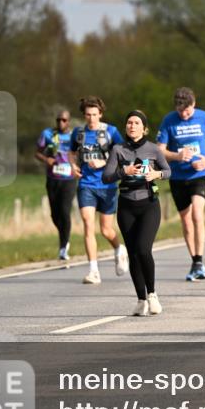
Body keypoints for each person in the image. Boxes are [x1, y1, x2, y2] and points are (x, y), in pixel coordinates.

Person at [102, 111, 172, 316]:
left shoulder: (153, 149)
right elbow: (106, 177)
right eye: (129, 123)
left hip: (149, 204)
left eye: (137, 123)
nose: (132, 126)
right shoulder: (118, 149)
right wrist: (125, 172)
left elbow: (168, 171)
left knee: (143, 249)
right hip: (126, 205)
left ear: (145, 128)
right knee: (133, 253)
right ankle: (141, 300)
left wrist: (156, 174)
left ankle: (152, 295)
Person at [157, 87, 205, 282]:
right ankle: (194, 261)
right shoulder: (169, 120)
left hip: (200, 173)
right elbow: (160, 150)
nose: (183, 114)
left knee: (196, 213)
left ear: (194, 104)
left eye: (186, 111)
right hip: (178, 176)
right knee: (185, 220)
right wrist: (177, 155)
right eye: (180, 111)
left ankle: (200, 261)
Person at [70, 96, 128, 285]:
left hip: (108, 185)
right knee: (88, 224)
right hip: (86, 185)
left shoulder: (111, 132)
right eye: (88, 115)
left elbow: (123, 153)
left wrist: (104, 162)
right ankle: (93, 271)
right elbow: (71, 152)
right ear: (84, 115)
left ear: (100, 114)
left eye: (95, 114)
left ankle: (119, 249)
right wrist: (73, 165)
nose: (91, 119)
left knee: (106, 230)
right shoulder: (78, 133)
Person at [35, 109, 77, 261]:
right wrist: (46, 159)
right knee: (55, 214)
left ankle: (63, 246)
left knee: (65, 211)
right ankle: (64, 235)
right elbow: (38, 152)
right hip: (53, 178)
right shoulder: (48, 134)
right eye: (59, 120)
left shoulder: (75, 136)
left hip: (69, 178)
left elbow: (81, 153)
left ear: (69, 121)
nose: (61, 123)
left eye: (64, 120)